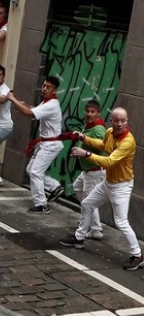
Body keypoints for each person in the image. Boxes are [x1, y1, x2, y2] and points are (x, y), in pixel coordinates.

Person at [58, 107, 141, 270]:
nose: (119, 124)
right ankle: (79, 237)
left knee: (121, 221)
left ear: (127, 122)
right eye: (116, 121)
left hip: (121, 186)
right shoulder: (109, 132)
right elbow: (103, 145)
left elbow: (109, 161)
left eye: (122, 121)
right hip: (108, 182)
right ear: (111, 121)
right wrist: (84, 137)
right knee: (87, 204)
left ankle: (138, 255)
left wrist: (86, 154)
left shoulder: (128, 141)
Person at [7, 76, 64, 214]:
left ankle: (41, 205)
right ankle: (54, 187)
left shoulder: (52, 104)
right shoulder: (47, 102)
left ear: (54, 90)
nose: (44, 89)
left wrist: (13, 99)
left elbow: (28, 113)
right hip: (46, 143)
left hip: (51, 144)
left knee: (35, 172)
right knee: (30, 169)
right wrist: (25, 104)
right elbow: (34, 109)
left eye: (48, 87)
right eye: (43, 86)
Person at [69, 100, 108, 239]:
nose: (89, 114)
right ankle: (92, 223)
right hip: (88, 170)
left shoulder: (98, 129)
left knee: (88, 201)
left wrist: (84, 149)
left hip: (95, 170)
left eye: (93, 112)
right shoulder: (89, 125)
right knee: (78, 188)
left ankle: (94, 229)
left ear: (99, 113)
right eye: (87, 111)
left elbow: (103, 146)